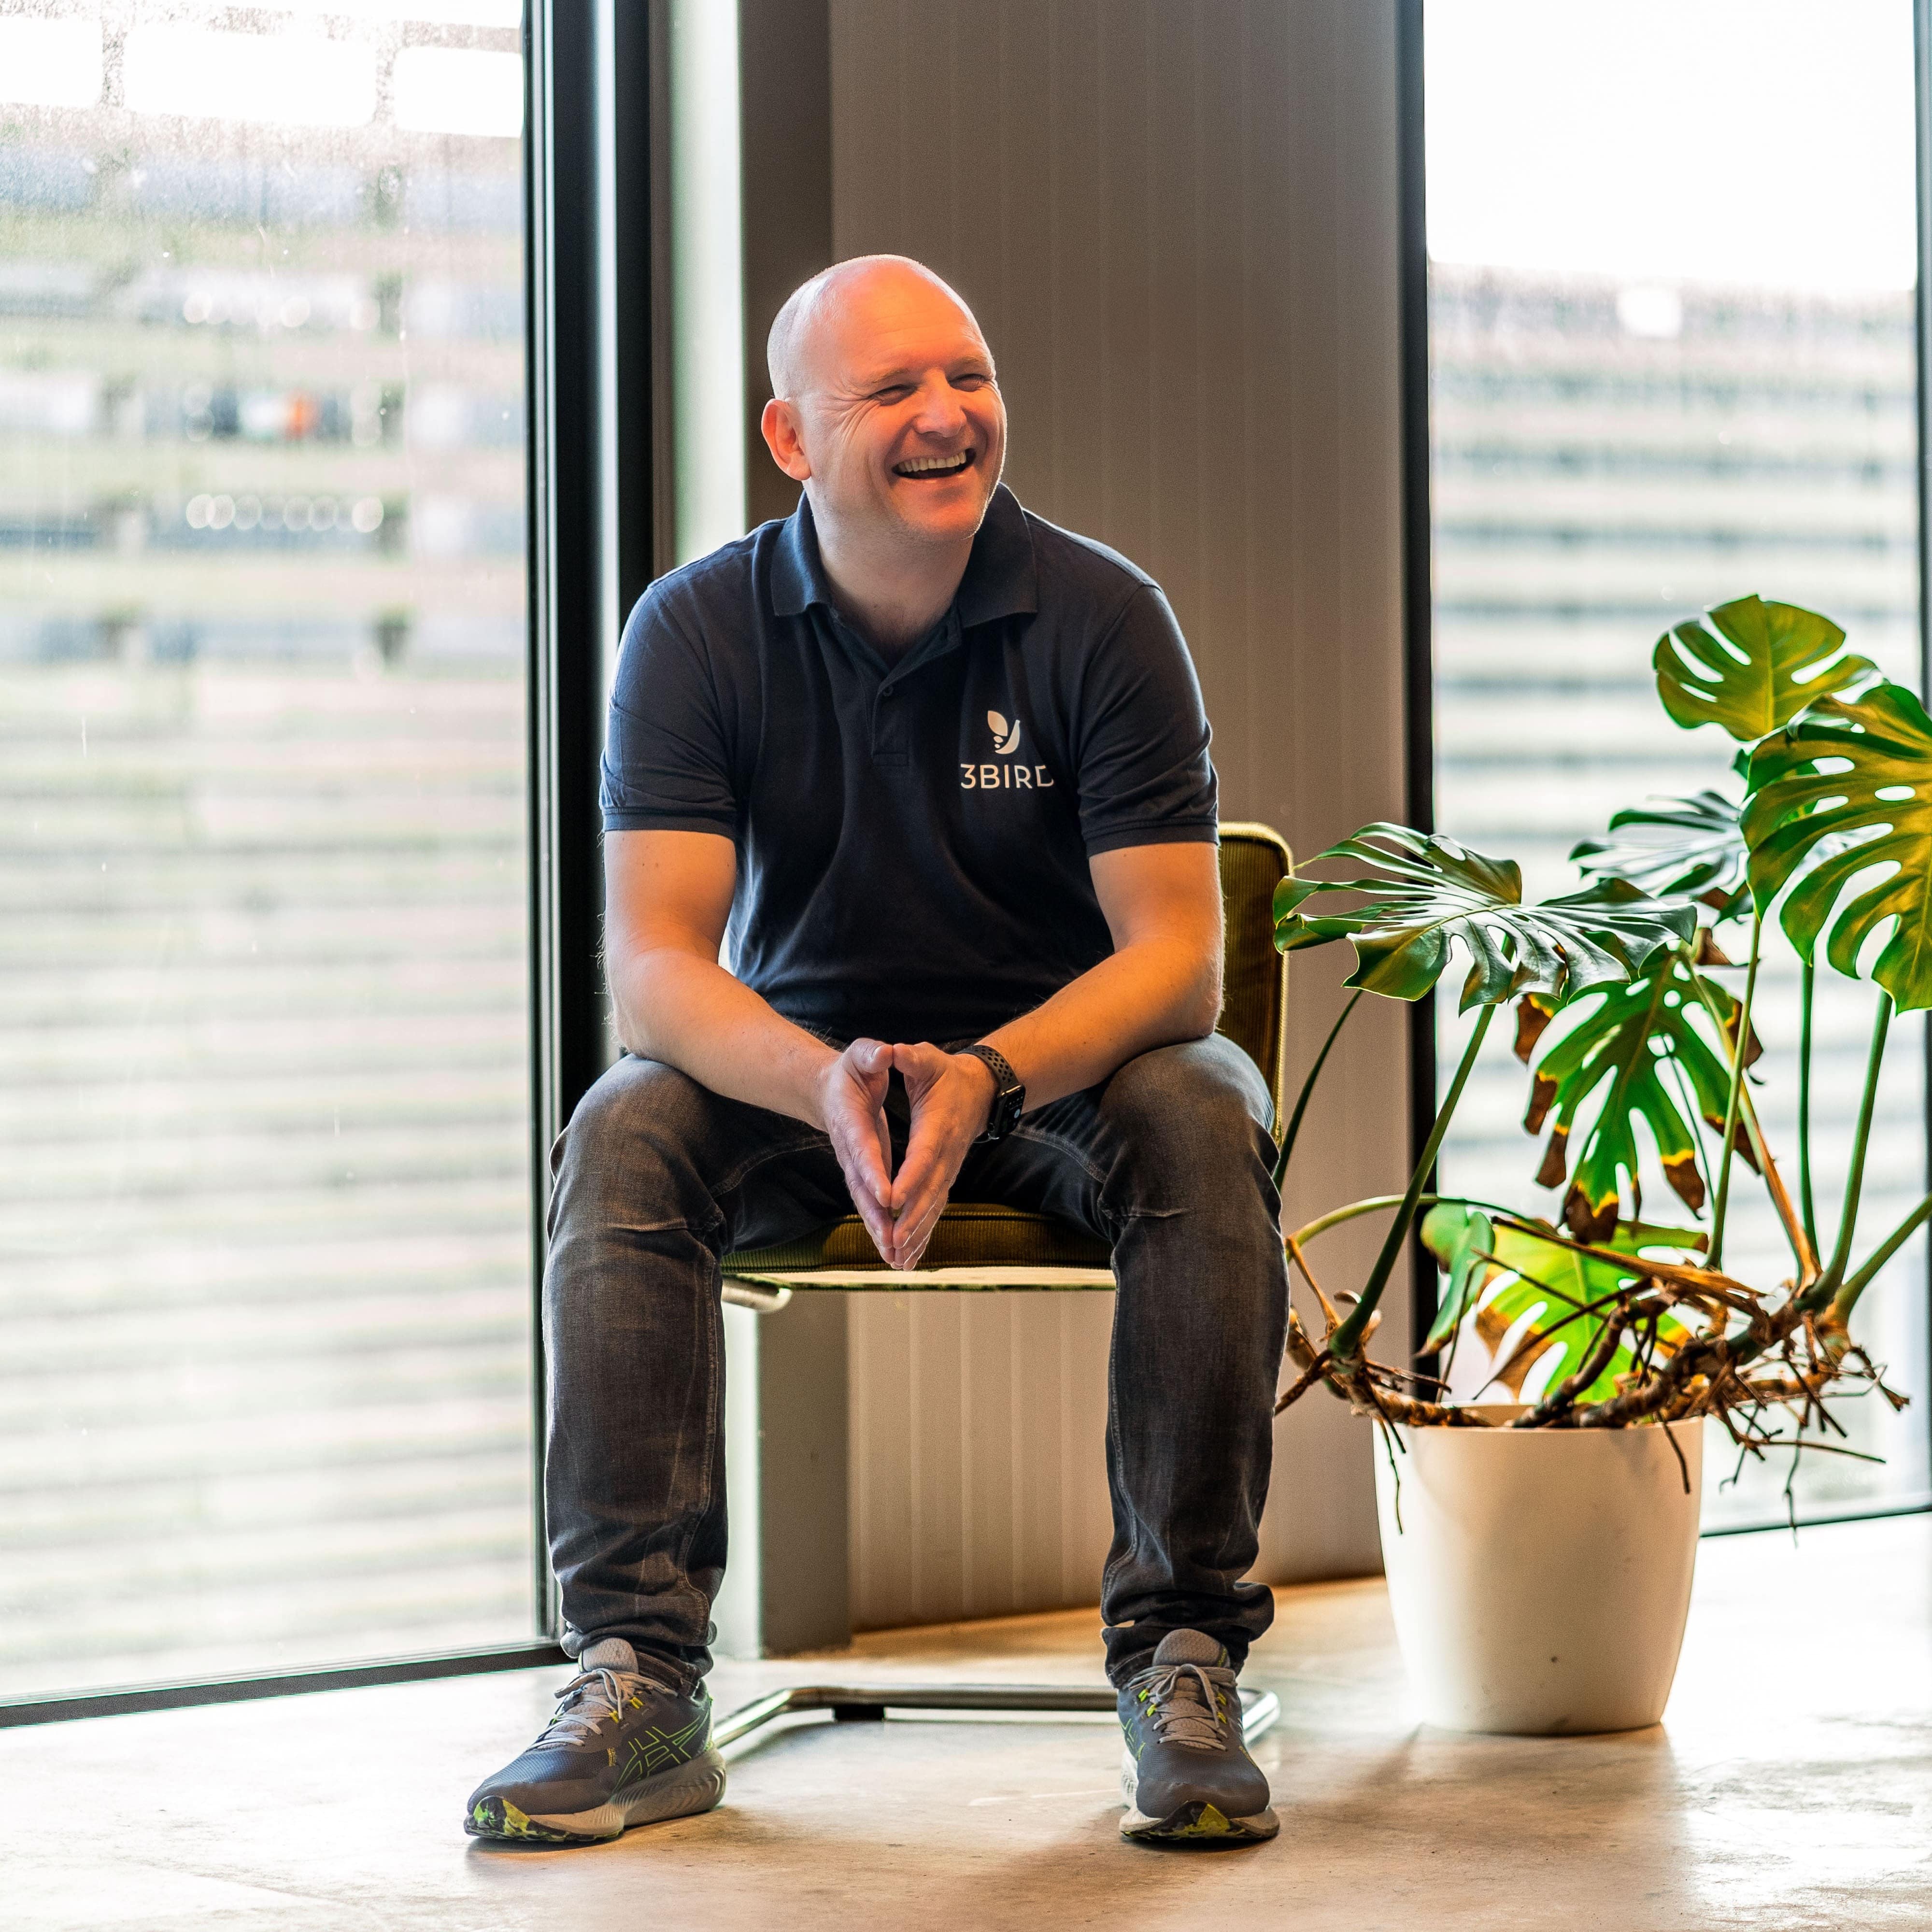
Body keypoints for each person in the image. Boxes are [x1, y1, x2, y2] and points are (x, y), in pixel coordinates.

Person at [465, 255, 1288, 1849]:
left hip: (1062, 1081)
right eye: (893, 390)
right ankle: (636, 1673)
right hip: (796, 1078)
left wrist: (989, 1075)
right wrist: (824, 1083)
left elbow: (1180, 959)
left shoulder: (1106, 617)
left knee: (1202, 1104)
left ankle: (1180, 1651)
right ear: (791, 436)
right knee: (628, 1122)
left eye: (968, 378)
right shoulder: (697, 631)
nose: (947, 417)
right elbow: (653, 967)